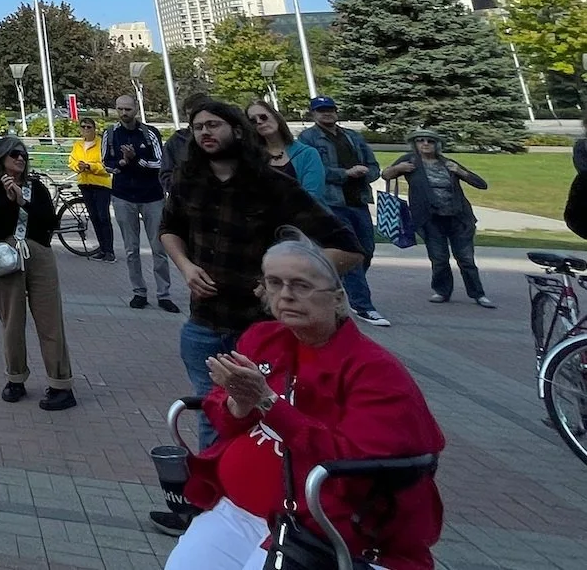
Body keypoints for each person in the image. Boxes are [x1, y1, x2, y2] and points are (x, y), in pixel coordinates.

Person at [168, 229, 445, 570]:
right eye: (275, 283)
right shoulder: (263, 338)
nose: (286, 295)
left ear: (337, 298)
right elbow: (221, 411)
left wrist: (269, 404)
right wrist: (238, 404)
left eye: (301, 285)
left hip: (321, 528)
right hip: (240, 509)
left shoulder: (374, 371)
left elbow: (357, 466)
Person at [157, 97, 361, 469]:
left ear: (238, 131)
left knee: (263, 417)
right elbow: (169, 229)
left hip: (260, 329)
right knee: (212, 413)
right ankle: (214, 492)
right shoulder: (189, 182)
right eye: (198, 127)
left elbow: (347, 248)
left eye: (213, 125)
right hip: (204, 324)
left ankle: (260, 490)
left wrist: (281, 283)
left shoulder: (271, 185)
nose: (205, 133)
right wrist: (185, 267)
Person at [0, 137, 75, 409]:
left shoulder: (35, 187)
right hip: (6, 257)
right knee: (12, 322)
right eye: (14, 154)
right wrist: (8, 201)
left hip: (38, 255)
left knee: (50, 320)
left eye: (23, 155)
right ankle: (15, 378)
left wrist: (22, 200)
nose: (20, 158)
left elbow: (50, 222)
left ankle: (61, 384)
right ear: (1, 157)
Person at [295, 97, 390, 327]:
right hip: (332, 203)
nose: (326, 114)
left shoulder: (352, 136)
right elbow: (315, 170)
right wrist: (345, 174)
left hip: (358, 200)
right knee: (351, 250)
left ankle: (340, 285)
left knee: (366, 250)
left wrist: (365, 173)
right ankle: (363, 305)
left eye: (330, 110)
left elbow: (373, 166)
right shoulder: (308, 138)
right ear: (313, 114)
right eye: (321, 111)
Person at [382, 130, 494, 308]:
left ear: (437, 145)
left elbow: (481, 184)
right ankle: (442, 291)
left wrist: (460, 172)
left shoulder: (447, 163)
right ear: (415, 144)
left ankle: (478, 294)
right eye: (420, 141)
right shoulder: (410, 161)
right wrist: (398, 169)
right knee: (439, 258)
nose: (425, 144)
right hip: (430, 218)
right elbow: (386, 175)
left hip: (459, 217)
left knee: (466, 259)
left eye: (430, 141)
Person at [103, 94, 177, 311]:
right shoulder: (110, 133)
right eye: (120, 109)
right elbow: (107, 164)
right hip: (123, 196)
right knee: (131, 249)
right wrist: (123, 162)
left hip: (151, 196)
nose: (123, 113)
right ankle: (139, 292)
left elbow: (160, 162)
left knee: (158, 248)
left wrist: (137, 159)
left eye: (127, 109)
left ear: (136, 108)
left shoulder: (149, 133)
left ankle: (163, 294)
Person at [245, 101, 325, 203]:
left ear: (276, 117)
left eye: (263, 117)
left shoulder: (307, 154)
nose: (259, 122)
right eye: (253, 120)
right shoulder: (252, 157)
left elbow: (313, 196)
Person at [68, 115, 115, 261]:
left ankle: (109, 251)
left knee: (103, 217)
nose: (86, 129)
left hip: (101, 184)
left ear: (94, 129)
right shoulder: (78, 145)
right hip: (85, 183)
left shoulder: (101, 144)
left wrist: (90, 167)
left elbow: (106, 165)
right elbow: (72, 161)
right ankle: (102, 248)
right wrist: (78, 167)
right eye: (83, 127)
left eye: (89, 127)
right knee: (94, 217)